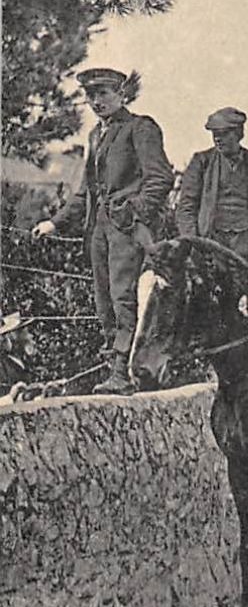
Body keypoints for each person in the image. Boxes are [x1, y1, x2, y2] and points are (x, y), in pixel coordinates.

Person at [34, 68, 173, 395]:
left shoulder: (140, 128)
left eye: (104, 94)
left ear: (122, 94)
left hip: (128, 230)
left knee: (124, 297)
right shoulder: (96, 135)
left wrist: (132, 210)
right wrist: (54, 222)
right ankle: (115, 366)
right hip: (98, 229)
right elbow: (85, 192)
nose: (97, 102)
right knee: (104, 301)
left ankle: (123, 374)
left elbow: (160, 178)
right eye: (91, 95)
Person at [175, 107, 248, 265]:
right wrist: (194, 241)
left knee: (245, 288)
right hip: (210, 243)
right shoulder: (202, 161)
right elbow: (186, 206)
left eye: (223, 134)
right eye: (214, 134)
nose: (217, 139)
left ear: (238, 134)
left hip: (245, 244)